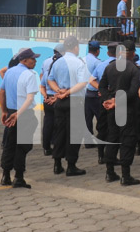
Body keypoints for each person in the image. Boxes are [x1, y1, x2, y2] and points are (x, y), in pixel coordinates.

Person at [99, 40, 140, 185]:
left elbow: (102, 86)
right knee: (127, 141)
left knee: (112, 138)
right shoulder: (134, 69)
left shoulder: (110, 67)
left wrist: (108, 100)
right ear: (133, 53)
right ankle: (126, 175)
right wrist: (117, 102)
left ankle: (109, 172)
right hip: (127, 110)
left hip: (112, 109)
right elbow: (133, 91)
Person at [47, 35, 89, 176]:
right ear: (76, 47)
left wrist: (59, 90)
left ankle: (57, 164)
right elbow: (82, 83)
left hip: (60, 101)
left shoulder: (58, 62)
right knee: (74, 134)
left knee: (60, 132)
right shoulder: (79, 63)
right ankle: (71, 165)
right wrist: (68, 92)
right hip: (74, 101)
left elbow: (50, 80)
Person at [0, 48, 40, 189]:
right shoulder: (29, 75)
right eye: (32, 59)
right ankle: (19, 177)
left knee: (9, 144)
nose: (35, 61)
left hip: (11, 111)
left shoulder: (9, 71)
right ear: (23, 60)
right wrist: (19, 114)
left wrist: (4, 111)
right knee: (22, 146)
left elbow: (2, 91)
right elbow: (29, 99)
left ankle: (5, 175)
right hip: (24, 113)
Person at [39, 44, 63, 156]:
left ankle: (46, 147)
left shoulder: (47, 67)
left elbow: (41, 84)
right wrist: (56, 97)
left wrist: (45, 96)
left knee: (48, 123)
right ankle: (58, 149)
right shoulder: (62, 70)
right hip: (58, 99)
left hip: (48, 98)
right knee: (59, 125)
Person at [83, 40, 103, 148]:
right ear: (97, 50)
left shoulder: (81, 60)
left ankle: (88, 141)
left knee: (87, 118)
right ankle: (100, 138)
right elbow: (100, 78)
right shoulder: (97, 62)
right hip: (94, 93)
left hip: (83, 93)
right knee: (100, 117)